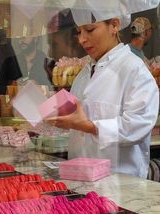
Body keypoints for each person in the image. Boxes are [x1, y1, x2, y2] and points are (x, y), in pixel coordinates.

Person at [46, 18, 159, 178]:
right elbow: (79, 116)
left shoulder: (134, 70)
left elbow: (138, 125)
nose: (82, 39)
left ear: (114, 25)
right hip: (80, 180)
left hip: (120, 183)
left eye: (90, 29)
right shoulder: (85, 73)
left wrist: (90, 127)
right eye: (79, 32)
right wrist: (57, 116)